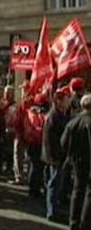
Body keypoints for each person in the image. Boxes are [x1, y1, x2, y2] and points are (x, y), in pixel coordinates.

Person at [61, 94, 91, 230]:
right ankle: (85, 224)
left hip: (76, 161)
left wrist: (70, 156)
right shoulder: (88, 122)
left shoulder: (73, 122)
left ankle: (73, 221)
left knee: (77, 190)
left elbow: (63, 142)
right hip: (87, 161)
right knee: (89, 192)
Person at [42, 87, 70, 222]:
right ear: (58, 101)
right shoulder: (53, 117)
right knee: (54, 183)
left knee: (56, 184)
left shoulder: (61, 114)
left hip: (58, 156)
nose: (68, 101)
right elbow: (50, 141)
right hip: (55, 157)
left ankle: (54, 209)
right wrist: (55, 158)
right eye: (65, 99)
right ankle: (52, 212)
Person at [23, 93, 48, 198]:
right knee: (35, 166)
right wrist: (42, 132)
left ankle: (35, 188)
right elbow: (33, 129)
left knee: (37, 167)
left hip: (38, 143)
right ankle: (33, 189)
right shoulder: (32, 114)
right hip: (34, 143)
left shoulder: (35, 114)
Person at [12, 81, 33, 185]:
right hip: (30, 134)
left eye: (23, 89)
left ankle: (19, 177)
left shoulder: (24, 102)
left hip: (21, 133)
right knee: (28, 156)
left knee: (18, 155)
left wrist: (14, 125)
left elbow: (20, 118)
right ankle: (29, 176)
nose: (21, 91)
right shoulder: (33, 101)